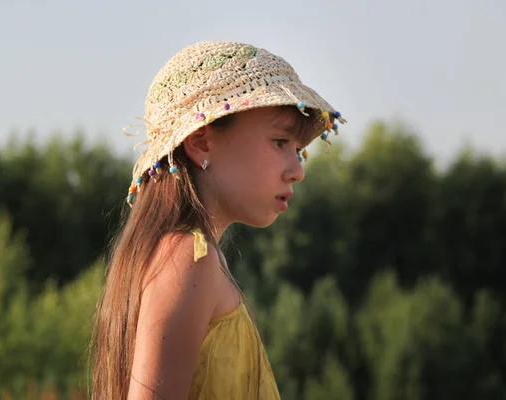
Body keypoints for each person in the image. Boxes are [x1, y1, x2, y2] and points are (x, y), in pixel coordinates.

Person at [89, 41, 346, 400]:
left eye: (298, 150)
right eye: (279, 141)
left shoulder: (193, 257)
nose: (297, 171)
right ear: (200, 143)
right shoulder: (186, 257)